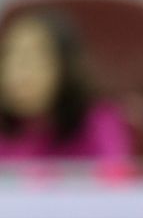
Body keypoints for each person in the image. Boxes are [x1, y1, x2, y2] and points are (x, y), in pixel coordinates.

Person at [0, 11, 132, 161]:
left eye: (32, 57)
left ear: (65, 66)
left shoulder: (98, 121)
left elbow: (115, 175)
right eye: (8, 56)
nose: (17, 70)